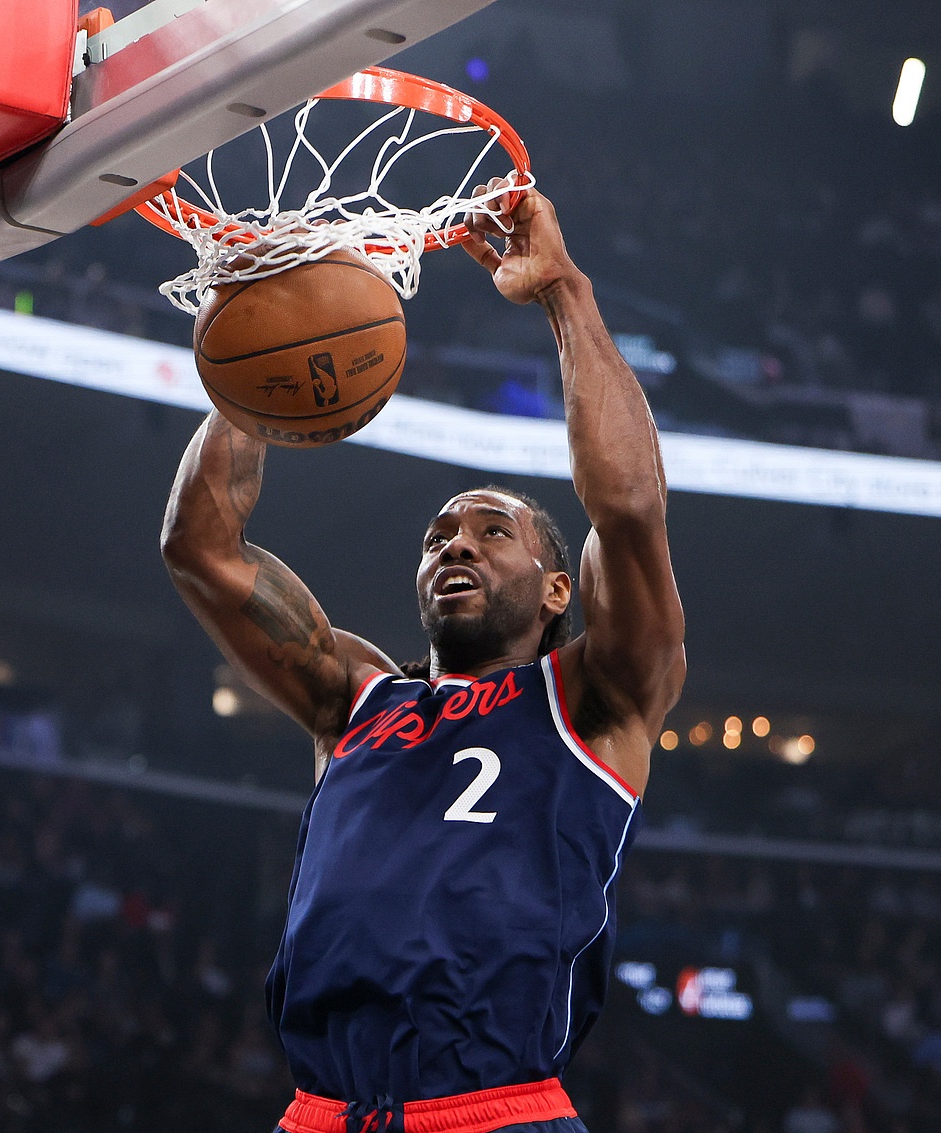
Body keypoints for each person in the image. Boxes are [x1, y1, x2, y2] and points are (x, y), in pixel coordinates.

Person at [160, 181, 686, 1133]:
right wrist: (258, 340)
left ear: (557, 589)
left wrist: (564, 292)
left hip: (493, 1110)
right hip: (323, 1112)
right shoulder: (353, 697)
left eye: (492, 531)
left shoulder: (594, 698)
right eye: (439, 535)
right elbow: (201, 549)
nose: (457, 545)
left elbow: (629, 510)